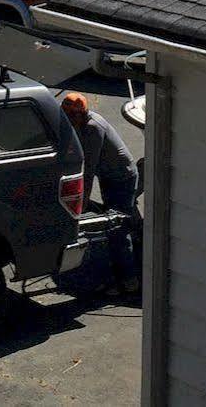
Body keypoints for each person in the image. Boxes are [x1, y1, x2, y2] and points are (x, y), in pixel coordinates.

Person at [59, 91, 140, 294]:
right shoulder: (81, 125)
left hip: (121, 178)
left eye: (71, 115)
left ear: (79, 115)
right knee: (120, 219)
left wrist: (81, 202)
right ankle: (133, 259)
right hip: (109, 176)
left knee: (117, 228)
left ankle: (129, 281)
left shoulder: (93, 128)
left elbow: (88, 168)